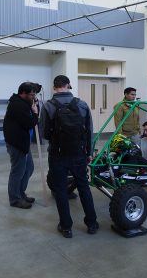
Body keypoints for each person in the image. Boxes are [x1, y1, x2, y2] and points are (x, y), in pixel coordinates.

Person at [40, 74, 98, 238]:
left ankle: (66, 227)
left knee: (60, 190)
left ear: (54, 87)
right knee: (83, 187)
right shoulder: (82, 104)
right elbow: (89, 131)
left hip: (57, 154)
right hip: (79, 153)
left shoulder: (48, 106)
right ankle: (92, 224)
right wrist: (88, 152)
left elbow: (44, 133)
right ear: (68, 85)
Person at [3, 81, 39, 209]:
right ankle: (15, 199)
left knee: (29, 168)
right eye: (31, 95)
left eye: (34, 94)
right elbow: (30, 123)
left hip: (23, 142)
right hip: (16, 143)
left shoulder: (24, 102)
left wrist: (34, 106)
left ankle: (20, 193)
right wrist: (35, 113)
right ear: (22, 93)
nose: (33, 97)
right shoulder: (17, 105)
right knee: (18, 171)